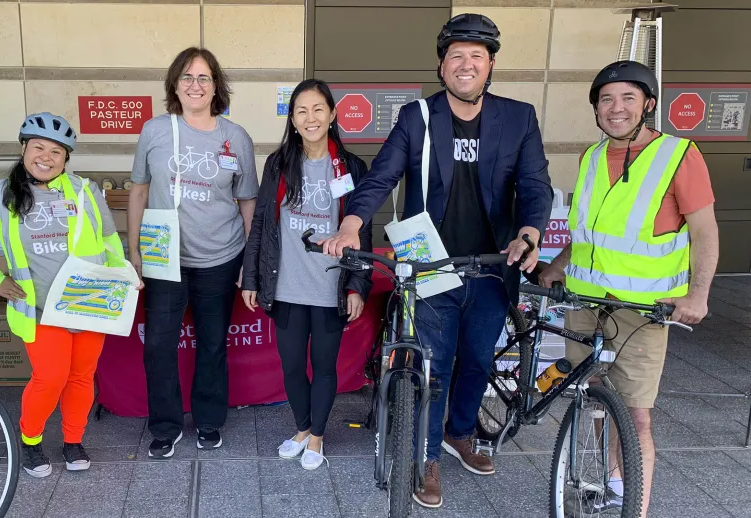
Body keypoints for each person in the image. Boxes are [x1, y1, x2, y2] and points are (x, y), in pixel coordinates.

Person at [319, 13, 554, 508]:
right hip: (429, 264)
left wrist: (530, 231)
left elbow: (534, 185)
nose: (465, 65)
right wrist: (352, 223)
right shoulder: (417, 118)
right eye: (456, 56)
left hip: (492, 263)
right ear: (441, 65)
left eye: (476, 56)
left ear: (490, 65)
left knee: (477, 359)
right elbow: (381, 177)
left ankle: (460, 432)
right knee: (433, 365)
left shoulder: (519, 118)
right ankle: (425, 456)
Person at [537, 60, 719, 517]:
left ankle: (629, 496)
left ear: (648, 105)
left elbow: (705, 232)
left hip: (642, 309)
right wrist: (557, 266)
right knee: (590, 395)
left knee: (636, 412)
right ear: (596, 108)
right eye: (606, 99)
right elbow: (588, 234)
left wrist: (698, 295)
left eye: (627, 98)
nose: (615, 108)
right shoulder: (591, 157)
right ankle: (605, 472)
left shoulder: (679, 154)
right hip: (584, 300)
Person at [0, 112, 129, 478]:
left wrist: (122, 273)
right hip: (38, 308)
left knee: (82, 376)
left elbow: (110, 239)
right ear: (23, 148)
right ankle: (30, 439)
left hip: (88, 302)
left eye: (56, 151)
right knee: (50, 377)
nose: (46, 157)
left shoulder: (85, 191)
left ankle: (72, 440)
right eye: (38, 147)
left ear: (66, 158)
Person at [127, 47, 259, 458]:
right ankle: (165, 425)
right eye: (187, 77)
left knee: (213, 342)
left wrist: (250, 263)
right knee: (159, 345)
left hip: (221, 256)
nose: (195, 85)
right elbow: (139, 191)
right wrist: (134, 252)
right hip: (164, 258)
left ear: (216, 85)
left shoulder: (235, 137)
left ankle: (208, 420)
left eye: (203, 78)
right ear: (174, 86)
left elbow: (247, 202)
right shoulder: (154, 131)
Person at [240, 79, 373, 470]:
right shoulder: (279, 164)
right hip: (286, 284)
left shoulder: (351, 167)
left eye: (318, 109)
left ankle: (316, 437)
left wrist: (356, 285)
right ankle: (301, 428)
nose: (310, 117)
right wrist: (251, 277)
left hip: (330, 285)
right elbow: (262, 223)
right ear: (293, 119)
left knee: (325, 366)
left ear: (332, 115)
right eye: (301, 110)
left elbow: (363, 233)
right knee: (293, 365)